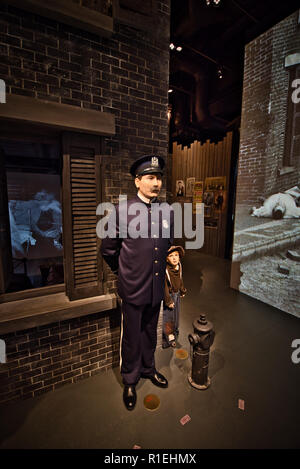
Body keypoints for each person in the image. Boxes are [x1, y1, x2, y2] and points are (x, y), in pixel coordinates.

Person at [101, 154, 174, 411]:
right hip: (133, 287)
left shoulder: (167, 211)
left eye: (159, 178)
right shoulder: (122, 212)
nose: (156, 183)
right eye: (150, 177)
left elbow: (165, 247)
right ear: (137, 181)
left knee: (149, 332)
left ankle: (148, 368)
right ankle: (130, 379)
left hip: (155, 288)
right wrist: (124, 273)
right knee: (131, 336)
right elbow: (108, 250)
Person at [162, 246, 186, 349]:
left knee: (176, 316)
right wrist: (168, 301)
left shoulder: (179, 266)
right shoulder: (166, 270)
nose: (174, 258)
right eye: (171, 256)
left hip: (177, 295)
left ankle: (175, 334)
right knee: (168, 319)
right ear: (167, 258)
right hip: (170, 296)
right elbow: (164, 287)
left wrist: (182, 289)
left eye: (176, 255)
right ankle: (167, 340)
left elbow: (180, 279)